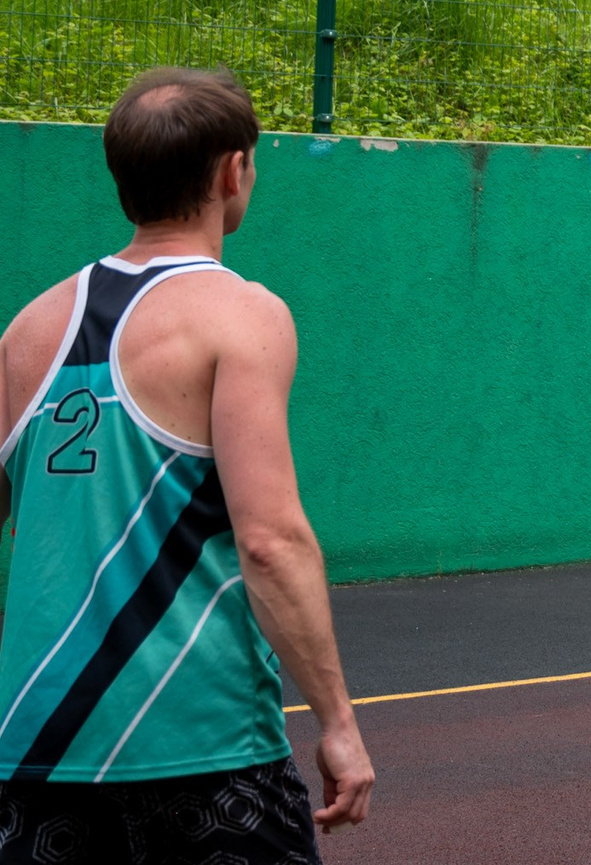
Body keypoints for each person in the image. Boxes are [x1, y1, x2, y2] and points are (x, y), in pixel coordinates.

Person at [0, 67, 374, 863]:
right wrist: (337, 720)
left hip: (34, 752)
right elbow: (270, 539)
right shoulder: (242, 315)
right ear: (233, 170)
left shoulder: (27, 331)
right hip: (202, 745)